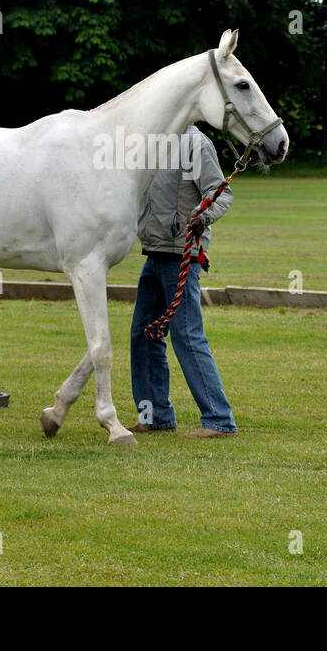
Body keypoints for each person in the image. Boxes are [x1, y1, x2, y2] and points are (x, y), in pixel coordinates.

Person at [128, 125, 236, 438]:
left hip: (181, 254)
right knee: (143, 335)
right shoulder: (151, 140)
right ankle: (155, 416)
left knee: (187, 335)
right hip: (156, 252)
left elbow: (220, 193)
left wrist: (203, 216)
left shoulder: (193, 143)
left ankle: (219, 420)